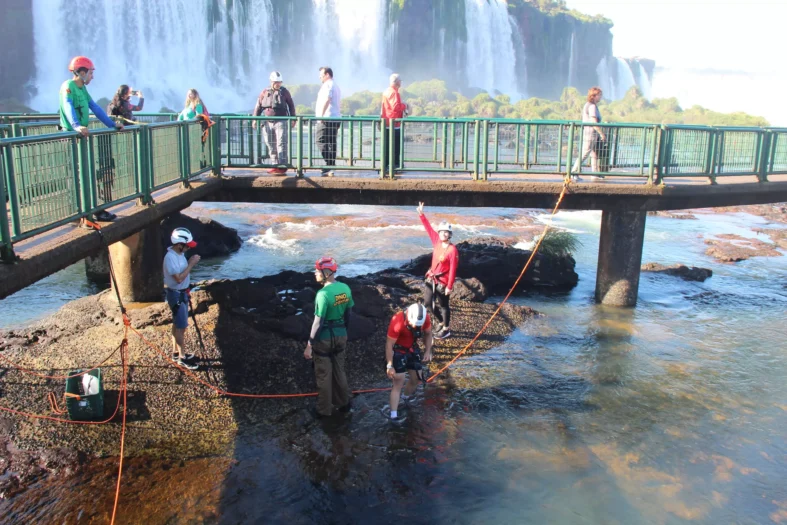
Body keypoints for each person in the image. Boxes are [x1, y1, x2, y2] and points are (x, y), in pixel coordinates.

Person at [59, 56, 124, 222]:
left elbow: (94, 107)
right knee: (78, 175)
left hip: (81, 136)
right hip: (71, 135)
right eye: (90, 73)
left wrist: (111, 124)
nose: (92, 77)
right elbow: (67, 105)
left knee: (86, 174)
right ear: (81, 72)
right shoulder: (68, 86)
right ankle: (81, 212)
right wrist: (75, 125)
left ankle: (90, 210)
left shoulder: (82, 89)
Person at [304, 256, 354, 418]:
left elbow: (318, 322)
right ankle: (344, 403)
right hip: (341, 335)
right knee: (339, 370)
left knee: (324, 375)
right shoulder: (345, 288)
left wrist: (309, 345)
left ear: (326, 272)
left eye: (317, 271)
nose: (315, 273)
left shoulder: (322, 294)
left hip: (325, 339)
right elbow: (348, 314)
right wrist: (343, 333)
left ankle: (324, 410)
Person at [385, 303, 433, 422]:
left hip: (412, 348)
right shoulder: (398, 320)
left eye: (418, 325)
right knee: (399, 381)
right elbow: (389, 344)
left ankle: (405, 398)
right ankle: (393, 415)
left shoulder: (425, 317)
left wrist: (428, 351)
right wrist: (390, 365)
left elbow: (428, 334)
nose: (415, 326)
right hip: (397, 350)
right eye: (413, 324)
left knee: (417, 377)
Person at [417, 202, 458, 340]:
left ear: (449, 234)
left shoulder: (452, 250)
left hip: (443, 282)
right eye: (441, 232)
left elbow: (453, 269)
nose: (443, 234)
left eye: (446, 232)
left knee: (444, 305)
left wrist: (449, 286)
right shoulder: (436, 241)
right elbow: (428, 228)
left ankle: (446, 329)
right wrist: (421, 214)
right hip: (432, 278)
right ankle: (441, 321)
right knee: (428, 303)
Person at [163, 227, 201, 371]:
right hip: (176, 294)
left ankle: (175, 352)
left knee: (176, 324)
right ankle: (182, 358)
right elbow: (178, 279)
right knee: (181, 327)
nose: (188, 248)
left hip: (181, 293)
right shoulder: (170, 258)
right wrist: (191, 263)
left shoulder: (178, 254)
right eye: (187, 246)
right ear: (179, 244)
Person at [252, 71, 296, 176]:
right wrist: (255, 119)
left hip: (281, 121)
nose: (278, 84)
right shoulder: (264, 92)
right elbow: (258, 106)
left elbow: (291, 105)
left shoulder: (284, 92)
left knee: (281, 143)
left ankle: (282, 166)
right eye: (276, 82)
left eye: (280, 82)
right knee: (270, 144)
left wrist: (293, 118)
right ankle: (274, 165)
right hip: (267, 122)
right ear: (271, 81)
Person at [571, 86, 607, 181]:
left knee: (594, 154)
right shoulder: (592, 106)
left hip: (589, 133)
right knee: (585, 153)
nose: (600, 97)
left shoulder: (589, 105)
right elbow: (594, 122)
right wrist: (601, 133)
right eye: (599, 95)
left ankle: (594, 173)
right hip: (591, 134)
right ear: (594, 96)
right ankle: (573, 172)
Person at [315, 66, 342, 177]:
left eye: (321, 74)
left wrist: (321, 116)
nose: (319, 76)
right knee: (331, 142)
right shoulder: (336, 85)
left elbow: (328, 98)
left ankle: (329, 164)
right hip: (335, 118)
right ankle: (330, 166)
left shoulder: (328, 85)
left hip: (327, 118)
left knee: (319, 140)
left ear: (327, 74)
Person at [381, 73, 408, 177]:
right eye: (400, 81)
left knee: (388, 145)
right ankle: (394, 165)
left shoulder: (386, 91)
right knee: (395, 146)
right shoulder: (394, 92)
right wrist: (405, 105)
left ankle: (387, 165)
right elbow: (396, 106)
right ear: (397, 82)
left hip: (387, 122)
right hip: (394, 123)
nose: (401, 83)